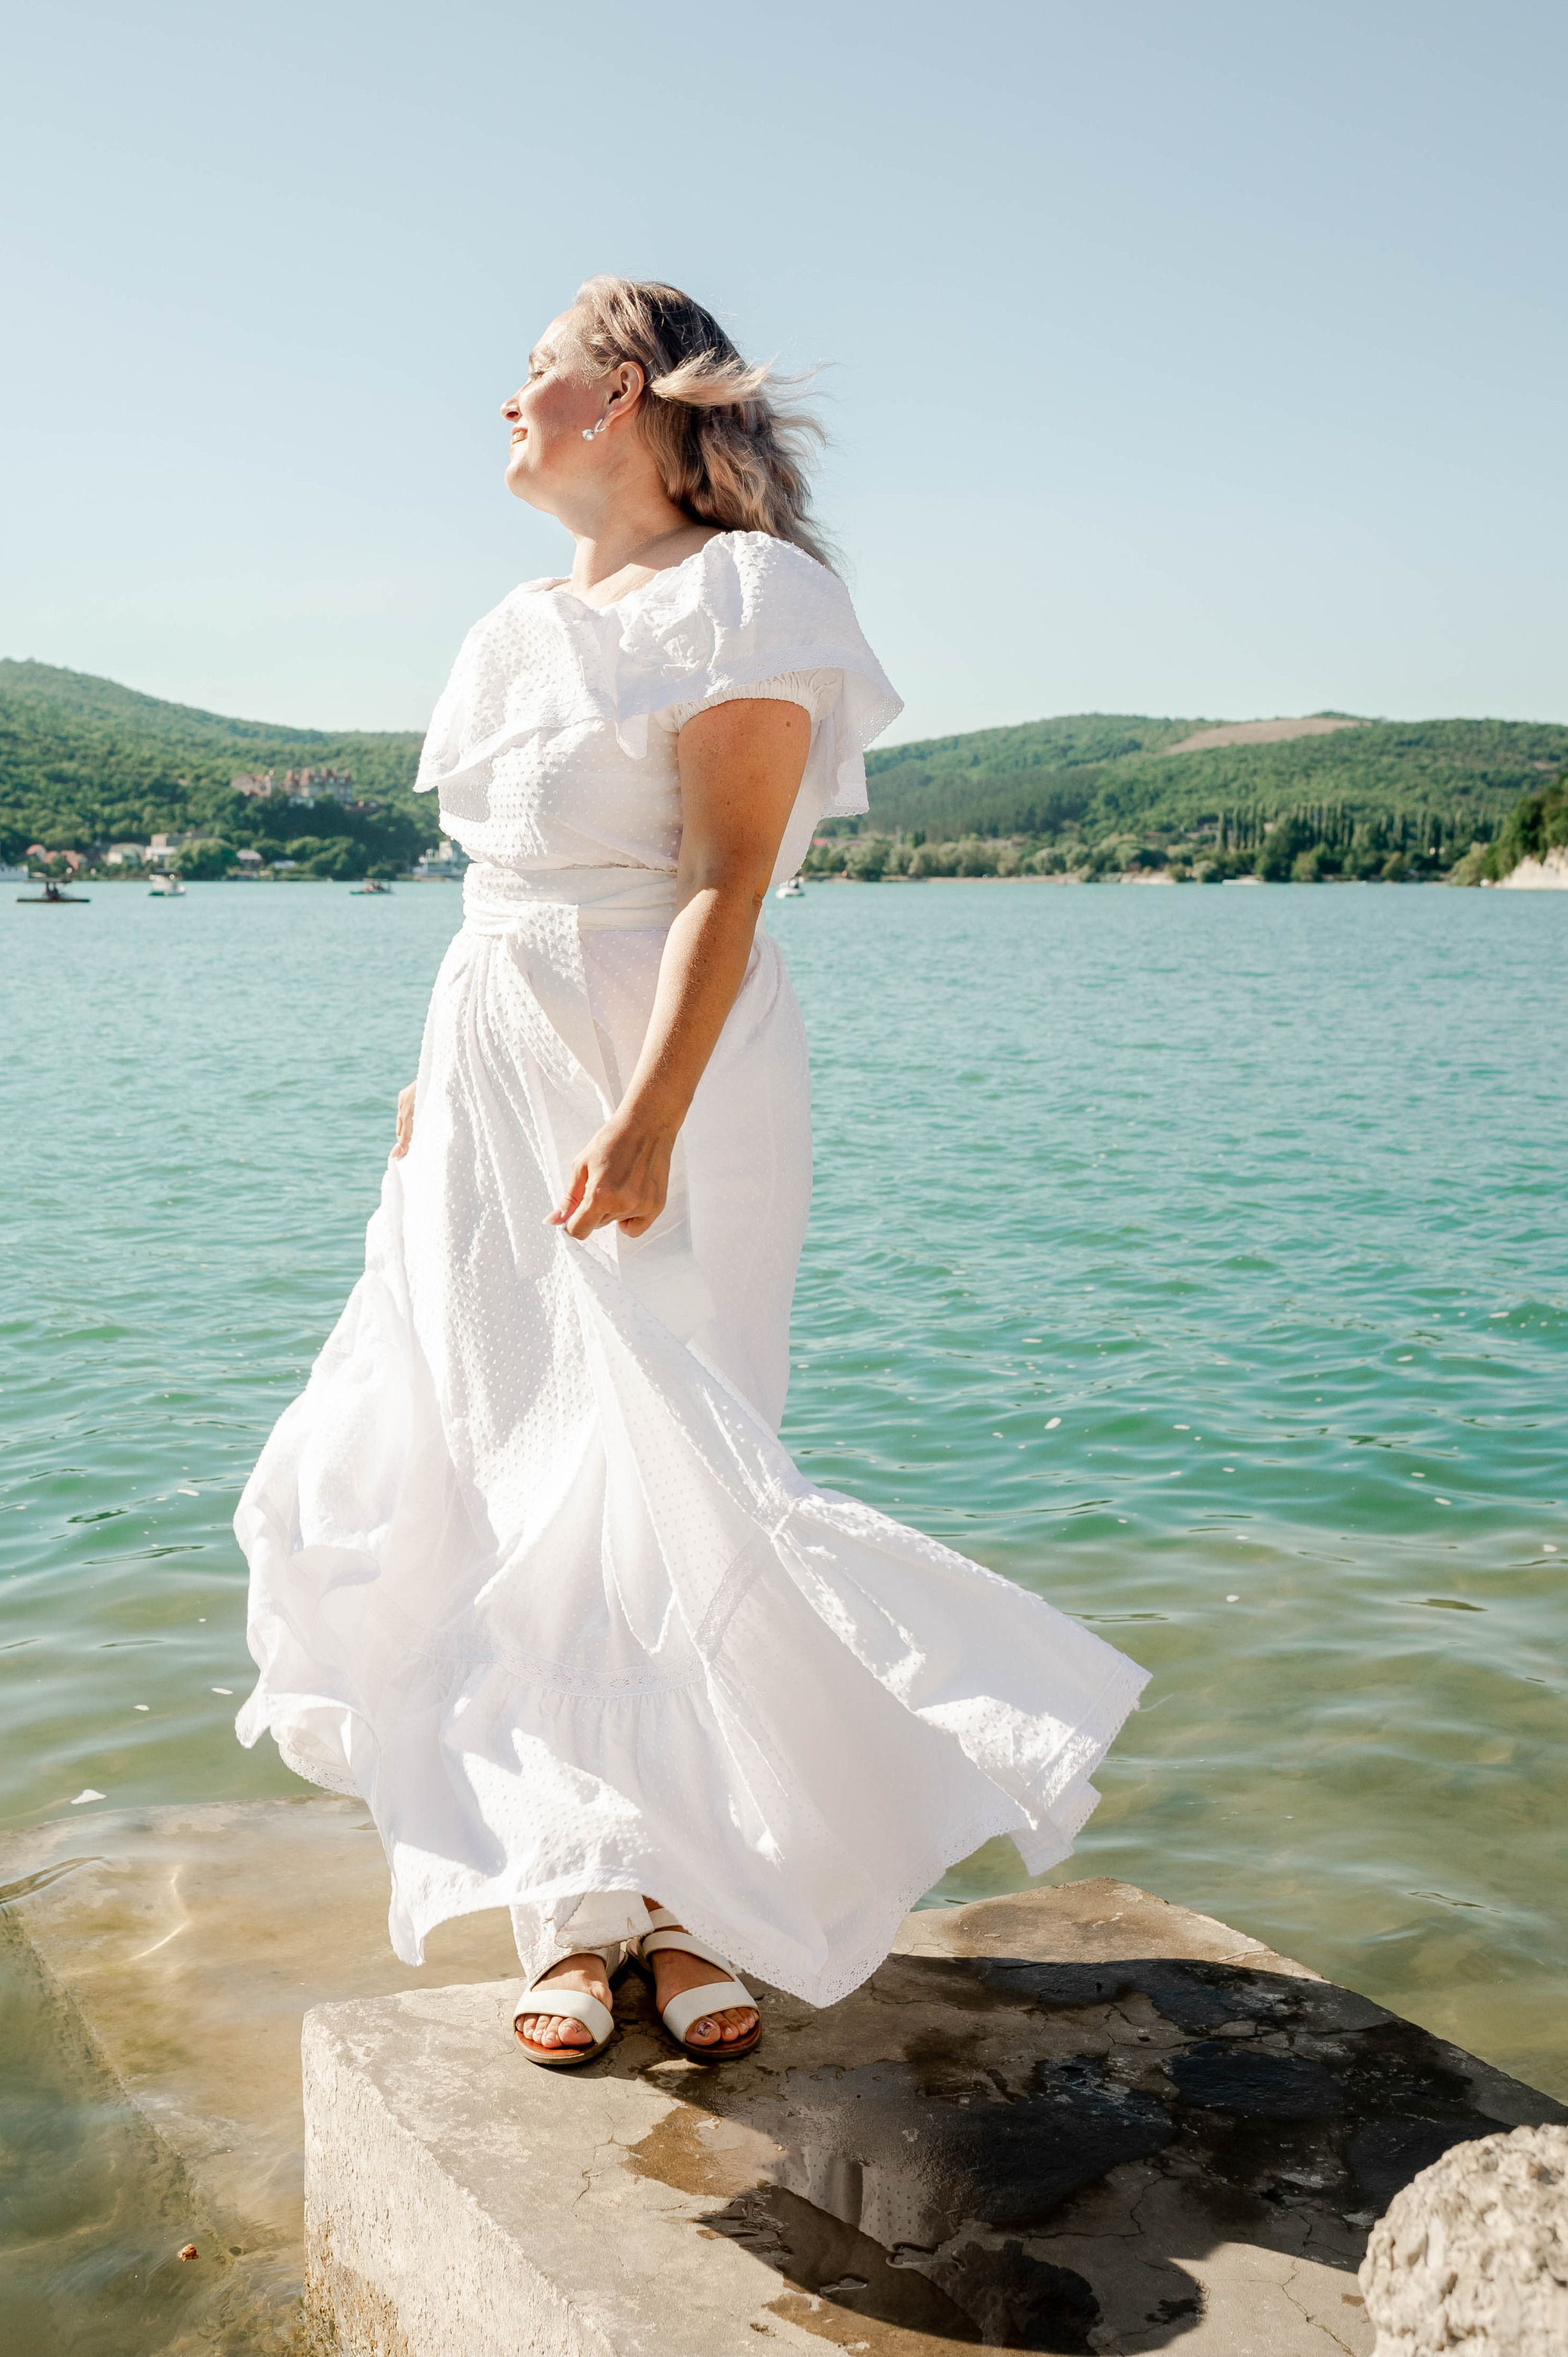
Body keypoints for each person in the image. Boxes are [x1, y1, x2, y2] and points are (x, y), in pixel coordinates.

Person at [234, 277, 1146, 2067]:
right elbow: (488, 901)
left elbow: (727, 878)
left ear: (627, 390)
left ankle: (684, 1893)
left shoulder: (747, 596)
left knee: (665, 1463)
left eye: (533, 377)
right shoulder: (506, 632)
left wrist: (643, 1114)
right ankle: (572, 1903)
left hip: (667, 1066)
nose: (504, 407)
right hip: (487, 1072)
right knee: (494, 1461)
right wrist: (427, 1091)